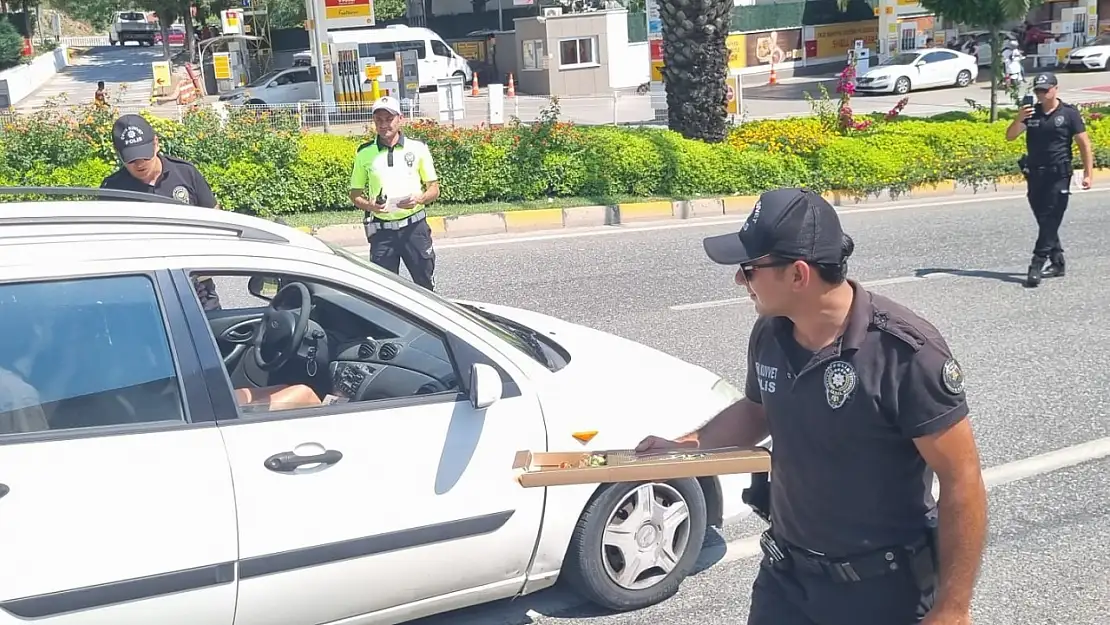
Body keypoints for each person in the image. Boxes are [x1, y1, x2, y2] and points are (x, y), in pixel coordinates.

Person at [636, 188, 988, 625]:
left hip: (881, 592)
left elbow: (962, 480)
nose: (739, 281)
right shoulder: (771, 332)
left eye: (749, 269)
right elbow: (755, 411)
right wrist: (686, 447)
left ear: (799, 274)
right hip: (787, 579)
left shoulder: (906, 354)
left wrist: (953, 610)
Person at [100, 113, 222, 310]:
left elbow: (216, 221)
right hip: (144, 291)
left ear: (156, 143)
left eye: (144, 156)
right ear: (118, 153)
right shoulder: (113, 190)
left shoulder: (185, 173)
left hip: (195, 285)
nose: (140, 164)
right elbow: (107, 245)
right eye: (132, 159)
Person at [1006, 72, 1094, 288]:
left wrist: (1088, 173)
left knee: (1051, 217)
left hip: (1059, 174)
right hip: (1035, 173)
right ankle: (1058, 261)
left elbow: (1084, 144)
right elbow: (1010, 136)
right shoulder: (1031, 113)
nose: (1041, 94)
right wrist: (1018, 118)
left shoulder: (1069, 114)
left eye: (1045, 90)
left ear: (1055, 89)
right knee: (1044, 218)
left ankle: (1036, 264)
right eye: (1038, 90)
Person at [349, 96, 441, 291]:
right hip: (382, 231)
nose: (384, 125)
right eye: (379, 120)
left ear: (400, 119)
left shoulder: (418, 148)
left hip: (414, 228)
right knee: (385, 291)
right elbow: (354, 194)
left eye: (389, 119)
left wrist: (420, 198)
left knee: (425, 286)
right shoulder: (365, 153)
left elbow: (434, 188)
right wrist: (370, 206)